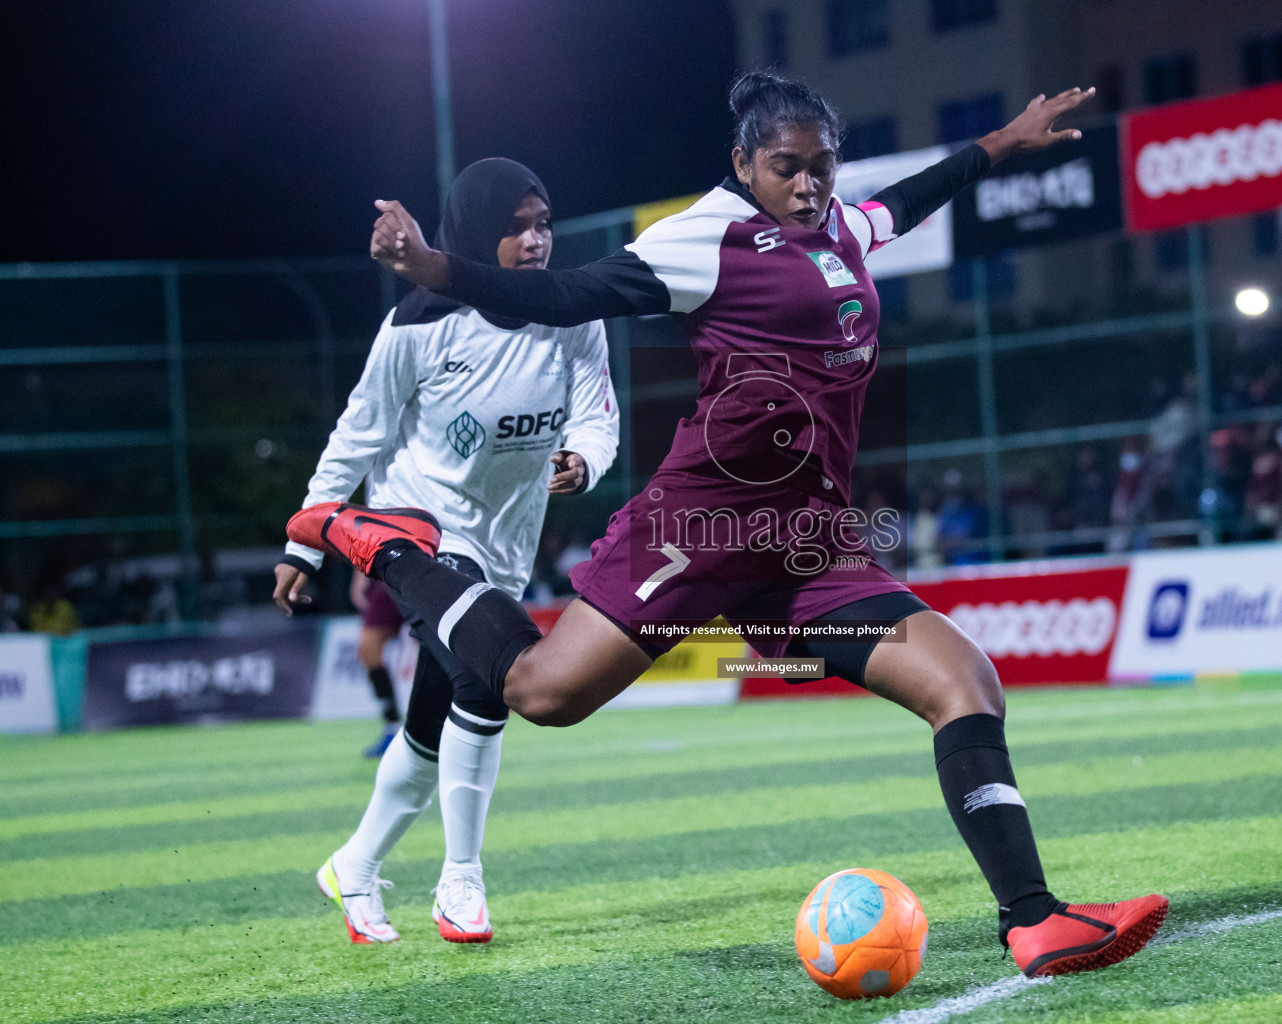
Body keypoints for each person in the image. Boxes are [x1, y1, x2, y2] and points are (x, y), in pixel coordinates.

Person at [291, 72, 1166, 978]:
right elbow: (568, 294)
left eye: (824, 166)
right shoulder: (699, 239)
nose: (810, 184)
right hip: (701, 527)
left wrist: (1001, 144)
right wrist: (435, 268)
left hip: (807, 545)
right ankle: (389, 546)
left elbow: (900, 205)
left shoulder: (839, 227)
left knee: (965, 680)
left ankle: (1034, 920)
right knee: (545, 695)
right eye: (787, 167)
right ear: (744, 162)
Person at [273, 158, 618, 945]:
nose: (536, 242)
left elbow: (600, 416)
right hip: (419, 526)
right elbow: (357, 435)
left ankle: (351, 867)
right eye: (516, 227)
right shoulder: (418, 326)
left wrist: (583, 459)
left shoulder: (573, 317)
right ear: (474, 232)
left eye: (543, 224)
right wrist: (306, 539)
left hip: (504, 546)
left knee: (432, 730)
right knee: (490, 675)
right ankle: (461, 884)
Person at [350, 569, 406, 758]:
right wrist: (360, 573)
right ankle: (393, 727)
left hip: (421, 563)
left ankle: (447, 726)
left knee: (436, 643)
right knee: (368, 650)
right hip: (384, 572)